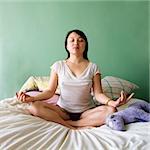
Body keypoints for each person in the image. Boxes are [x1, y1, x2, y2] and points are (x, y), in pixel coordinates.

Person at [16, 29, 132, 129]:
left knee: (111, 111)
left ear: (85, 45)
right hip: (63, 112)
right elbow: (50, 92)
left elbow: (98, 94)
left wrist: (113, 103)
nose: (76, 42)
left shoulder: (93, 67)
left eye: (80, 40)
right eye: (72, 40)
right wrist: (31, 98)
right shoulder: (58, 66)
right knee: (34, 107)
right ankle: (70, 125)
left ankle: (74, 124)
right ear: (66, 46)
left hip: (86, 112)